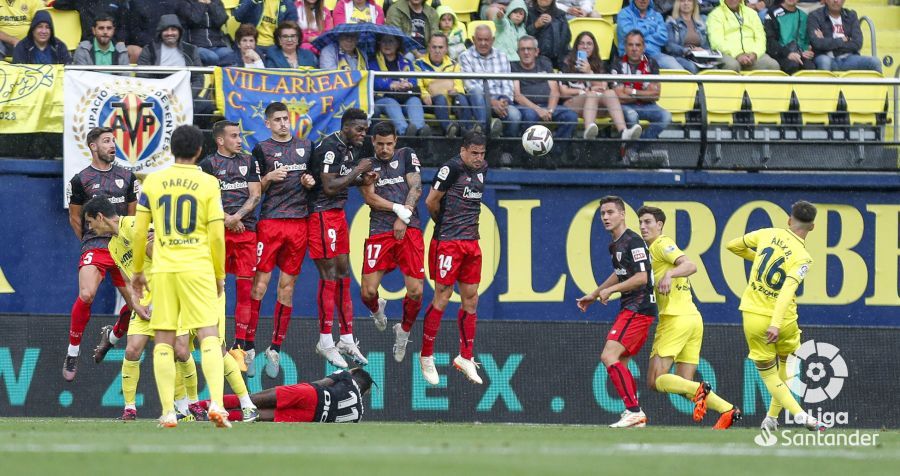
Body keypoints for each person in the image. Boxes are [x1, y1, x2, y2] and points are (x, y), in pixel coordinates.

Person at [84, 197, 259, 423]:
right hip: (160, 298)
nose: (90, 229)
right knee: (157, 349)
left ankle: (247, 404)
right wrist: (138, 303)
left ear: (100, 217)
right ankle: (174, 408)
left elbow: (158, 254)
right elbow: (130, 280)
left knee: (214, 349)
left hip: (190, 288)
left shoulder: (135, 225)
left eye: (90, 223)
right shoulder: (113, 246)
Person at [131, 125, 230, 428]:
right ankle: (216, 403)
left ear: (171, 149)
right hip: (198, 266)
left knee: (163, 337)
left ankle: (168, 412)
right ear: (200, 150)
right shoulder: (209, 183)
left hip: (163, 268)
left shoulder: (153, 182)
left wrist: (137, 271)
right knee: (207, 333)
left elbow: (139, 230)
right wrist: (219, 273)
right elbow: (216, 234)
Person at [637, 206, 741, 430]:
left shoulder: (661, 244)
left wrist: (669, 274)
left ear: (660, 225)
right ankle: (727, 410)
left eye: (648, 222)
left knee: (656, 380)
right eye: (641, 222)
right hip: (693, 319)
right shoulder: (653, 249)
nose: (643, 227)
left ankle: (704, 393)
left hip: (675, 319)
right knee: (686, 386)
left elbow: (690, 265)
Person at [726, 201, 826, 433]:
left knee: (770, 374)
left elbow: (732, 246)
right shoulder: (803, 257)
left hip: (753, 315)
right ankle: (772, 417)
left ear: (789, 220)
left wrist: (758, 257)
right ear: (812, 227)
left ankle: (799, 416)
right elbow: (787, 291)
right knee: (788, 367)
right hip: (786, 320)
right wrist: (777, 323)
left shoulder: (768, 233)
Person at [247, 102, 317, 378]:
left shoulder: (307, 146)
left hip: (299, 224)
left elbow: (315, 180)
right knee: (260, 285)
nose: (283, 124)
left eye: (285, 119)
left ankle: (274, 348)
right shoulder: (261, 150)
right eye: (277, 120)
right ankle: (249, 346)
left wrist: (310, 182)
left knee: (286, 289)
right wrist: (267, 177)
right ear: (267, 124)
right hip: (270, 222)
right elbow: (254, 189)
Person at [576, 196, 657, 428]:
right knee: (621, 360)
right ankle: (634, 413)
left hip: (639, 307)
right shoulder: (616, 244)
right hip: (631, 307)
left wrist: (611, 291)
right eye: (602, 214)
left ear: (622, 214)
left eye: (610, 212)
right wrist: (595, 293)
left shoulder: (634, 241)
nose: (605, 217)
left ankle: (634, 410)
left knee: (608, 356)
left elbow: (641, 278)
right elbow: (621, 273)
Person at [65, 127, 138, 382]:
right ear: (93, 146)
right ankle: (73, 351)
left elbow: (133, 216)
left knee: (138, 306)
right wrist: (87, 241)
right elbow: (75, 217)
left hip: (123, 247)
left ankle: (113, 336)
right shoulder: (80, 179)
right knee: (86, 294)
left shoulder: (128, 177)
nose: (112, 145)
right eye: (106, 141)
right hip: (95, 245)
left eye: (113, 141)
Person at [308, 108, 375, 368]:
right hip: (321, 214)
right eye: (359, 129)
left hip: (337, 213)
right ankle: (325, 341)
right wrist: (358, 170)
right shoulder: (330, 147)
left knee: (344, 273)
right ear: (345, 126)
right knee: (329, 276)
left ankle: (346, 337)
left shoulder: (351, 147)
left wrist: (362, 179)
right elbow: (329, 186)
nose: (363, 134)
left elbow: (344, 181)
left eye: (365, 129)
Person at [419, 131, 488, 386]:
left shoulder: (483, 169)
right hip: (448, 241)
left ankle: (465, 356)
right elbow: (430, 202)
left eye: (482, 154)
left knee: (471, 297)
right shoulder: (450, 169)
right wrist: (444, 224)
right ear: (463, 150)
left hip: (472, 241)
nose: (479, 158)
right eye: (474, 153)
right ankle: (426, 355)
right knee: (443, 295)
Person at [356, 122, 423, 362]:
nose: (385, 149)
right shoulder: (366, 165)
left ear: (395, 141)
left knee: (416, 291)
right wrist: (398, 210)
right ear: (373, 141)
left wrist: (405, 217)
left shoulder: (407, 155)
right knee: (368, 292)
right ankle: (377, 310)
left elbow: (415, 186)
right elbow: (370, 198)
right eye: (380, 144)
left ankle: (403, 330)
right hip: (379, 230)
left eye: (389, 144)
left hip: (409, 229)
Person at [199, 121, 262, 376]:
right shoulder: (208, 165)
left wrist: (236, 217)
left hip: (246, 232)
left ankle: (241, 346)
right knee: (217, 288)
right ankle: (217, 340)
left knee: (246, 289)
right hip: (217, 233)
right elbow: (204, 199)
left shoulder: (248, 161)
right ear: (220, 140)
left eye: (239, 135)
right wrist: (226, 218)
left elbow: (255, 195)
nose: (239, 140)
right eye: (234, 136)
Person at [204, 368, 372, 422]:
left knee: (251, 400)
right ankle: (207, 418)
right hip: (312, 416)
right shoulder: (358, 416)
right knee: (257, 415)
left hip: (312, 394)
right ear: (366, 391)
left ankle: (201, 405)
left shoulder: (347, 376)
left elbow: (322, 383)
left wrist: (300, 389)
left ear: (354, 372)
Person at [559, 32, 642, 141]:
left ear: (594, 47)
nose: (585, 47)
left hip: (596, 106)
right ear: (576, 46)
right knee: (592, 94)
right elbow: (563, 92)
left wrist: (590, 73)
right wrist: (586, 91)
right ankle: (588, 129)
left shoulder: (600, 64)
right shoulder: (566, 63)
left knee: (610, 93)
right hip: (572, 104)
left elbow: (603, 88)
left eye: (589, 44)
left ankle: (623, 131)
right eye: (582, 43)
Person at [137, 14, 212, 116]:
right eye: (166, 30)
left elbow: (198, 79)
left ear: (179, 32)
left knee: (207, 106)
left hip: (186, 96)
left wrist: (186, 96)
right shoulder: (149, 50)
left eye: (173, 29)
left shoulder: (190, 50)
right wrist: (160, 95)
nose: (170, 33)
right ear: (160, 32)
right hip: (156, 97)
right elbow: (142, 77)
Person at [512, 36, 579, 146]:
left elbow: (555, 90)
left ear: (536, 51)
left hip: (548, 106)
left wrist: (550, 110)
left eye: (529, 49)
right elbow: (517, 96)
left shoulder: (544, 63)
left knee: (571, 117)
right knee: (530, 117)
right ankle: (531, 155)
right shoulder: (514, 66)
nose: (526, 52)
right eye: (522, 49)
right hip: (527, 107)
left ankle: (555, 151)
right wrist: (538, 110)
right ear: (517, 52)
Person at [459, 25, 521, 138]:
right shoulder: (465, 56)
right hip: (477, 101)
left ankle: (505, 149)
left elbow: (507, 84)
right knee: (476, 91)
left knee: (515, 115)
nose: (483, 43)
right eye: (480, 39)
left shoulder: (502, 56)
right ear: (473, 39)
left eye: (486, 40)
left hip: (500, 101)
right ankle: (484, 131)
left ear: (492, 40)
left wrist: (503, 102)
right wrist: (492, 102)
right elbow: (469, 85)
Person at [612, 30, 673, 146]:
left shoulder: (651, 63)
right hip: (625, 106)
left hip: (647, 106)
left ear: (643, 47)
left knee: (666, 116)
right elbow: (619, 97)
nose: (634, 48)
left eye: (638, 45)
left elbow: (655, 95)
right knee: (632, 116)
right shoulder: (617, 63)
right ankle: (627, 154)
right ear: (625, 47)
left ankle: (634, 150)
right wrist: (644, 94)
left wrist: (632, 92)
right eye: (630, 45)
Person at [369, 34, 429, 137]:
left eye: (391, 41)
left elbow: (414, 80)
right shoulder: (372, 62)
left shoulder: (406, 62)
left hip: (404, 97)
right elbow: (373, 82)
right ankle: (404, 132)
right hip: (383, 98)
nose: (387, 44)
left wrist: (408, 84)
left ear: (397, 44)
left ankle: (420, 131)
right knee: (391, 102)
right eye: (384, 41)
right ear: (379, 44)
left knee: (414, 100)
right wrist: (391, 85)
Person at [416, 33, 473, 138]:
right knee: (441, 98)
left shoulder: (454, 64)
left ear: (446, 49)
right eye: (434, 47)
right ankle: (448, 129)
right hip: (429, 102)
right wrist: (424, 94)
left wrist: (456, 90)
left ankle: (468, 133)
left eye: (440, 47)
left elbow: (458, 84)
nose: (437, 50)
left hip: (451, 101)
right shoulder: (418, 64)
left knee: (461, 97)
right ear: (429, 47)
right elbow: (419, 85)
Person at [807, 0, 881, 73]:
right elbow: (817, 43)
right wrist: (842, 40)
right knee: (824, 61)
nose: (836, 1)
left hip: (849, 58)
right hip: (825, 56)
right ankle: (825, 85)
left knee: (875, 62)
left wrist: (827, 42)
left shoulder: (851, 15)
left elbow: (857, 43)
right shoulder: (814, 16)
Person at [707, 0, 780, 71]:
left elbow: (761, 38)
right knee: (732, 65)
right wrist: (737, 55)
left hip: (752, 54)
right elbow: (716, 42)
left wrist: (755, 53)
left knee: (773, 65)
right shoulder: (715, 15)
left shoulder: (752, 13)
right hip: (728, 53)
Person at [617, 0, 685, 71]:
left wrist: (641, 36)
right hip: (631, 55)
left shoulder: (657, 16)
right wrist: (650, 28)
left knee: (676, 67)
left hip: (655, 56)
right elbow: (630, 35)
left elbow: (663, 37)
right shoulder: (624, 14)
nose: (643, 0)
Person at [176, 0, 235, 66]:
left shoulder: (216, 2)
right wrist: (201, 4)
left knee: (229, 54)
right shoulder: (186, 3)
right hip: (195, 45)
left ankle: (222, 75)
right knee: (212, 57)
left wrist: (210, 5)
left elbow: (220, 21)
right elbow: (194, 20)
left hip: (216, 44)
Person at [763, 0, 814, 74]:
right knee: (792, 65)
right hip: (780, 54)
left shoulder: (803, 15)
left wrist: (806, 51)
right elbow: (770, 41)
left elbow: (806, 41)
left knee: (810, 67)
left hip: (799, 54)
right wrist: (788, 54)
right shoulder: (772, 13)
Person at [665, 0, 713, 73]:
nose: (686, 3)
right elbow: (669, 46)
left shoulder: (702, 21)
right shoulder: (671, 22)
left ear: (694, 4)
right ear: (678, 4)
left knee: (713, 69)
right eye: (682, 1)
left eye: (689, 1)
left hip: (699, 57)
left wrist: (704, 50)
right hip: (680, 56)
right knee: (692, 67)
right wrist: (688, 50)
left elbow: (707, 44)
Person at [525, 0, 571, 70]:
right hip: (535, 58)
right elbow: (523, 37)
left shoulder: (560, 15)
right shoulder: (528, 13)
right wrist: (535, 25)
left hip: (558, 59)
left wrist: (552, 24)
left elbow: (566, 38)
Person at [234, 0, 299, 47]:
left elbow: (291, 27)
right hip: (251, 44)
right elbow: (238, 16)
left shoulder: (288, 3)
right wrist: (253, 1)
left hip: (275, 46)